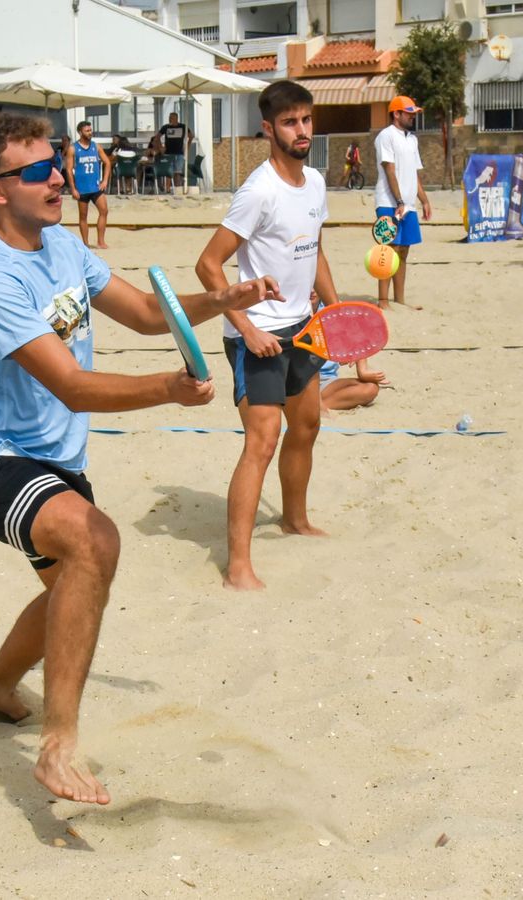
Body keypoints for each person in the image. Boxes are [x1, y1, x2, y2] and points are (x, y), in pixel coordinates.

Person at [0, 111, 280, 804]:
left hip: (55, 459)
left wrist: (223, 299)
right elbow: (68, 383)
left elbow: (152, 315)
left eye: (56, 161)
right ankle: (59, 747)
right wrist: (168, 390)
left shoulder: (63, 245)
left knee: (72, 586)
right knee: (95, 543)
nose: (60, 176)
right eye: (40, 170)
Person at [195, 80, 335, 591]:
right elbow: (208, 266)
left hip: (302, 327)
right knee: (262, 441)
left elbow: (313, 250)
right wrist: (247, 328)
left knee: (308, 425)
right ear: (269, 128)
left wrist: (336, 312)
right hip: (258, 335)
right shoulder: (258, 191)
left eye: (306, 120)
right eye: (290, 122)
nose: (302, 130)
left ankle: (295, 520)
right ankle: (238, 567)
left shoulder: (316, 183)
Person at [374, 95, 431, 310]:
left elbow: (414, 173)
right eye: (409, 113)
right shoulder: (385, 136)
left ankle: (400, 299)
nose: (413, 116)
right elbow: (389, 170)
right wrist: (398, 201)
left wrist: (423, 200)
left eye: (413, 113)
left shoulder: (412, 139)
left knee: (404, 250)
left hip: (408, 204)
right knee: (389, 250)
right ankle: (383, 301)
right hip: (388, 201)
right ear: (396, 113)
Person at [64, 121, 112, 249]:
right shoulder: (73, 148)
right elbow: (69, 170)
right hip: (82, 188)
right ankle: (85, 243)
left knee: (104, 211)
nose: (90, 133)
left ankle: (101, 241)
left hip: (96, 187)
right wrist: (73, 188)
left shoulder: (96, 147)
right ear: (80, 132)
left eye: (91, 130)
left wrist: (105, 180)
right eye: (87, 130)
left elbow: (107, 163)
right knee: (83, 217)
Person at [156, 111, 191, 192]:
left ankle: (177, 188)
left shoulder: (182, 126)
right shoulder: (166, 127)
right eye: (169, 118)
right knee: (169, 172)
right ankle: (167, 188)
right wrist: (161, 147)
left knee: (177, 172)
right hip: (168, 153)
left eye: (172, 118)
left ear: (176, 118)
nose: (170, 119)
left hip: (179, 153)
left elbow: (191, 136)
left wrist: (187, 147)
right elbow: (157, 137)